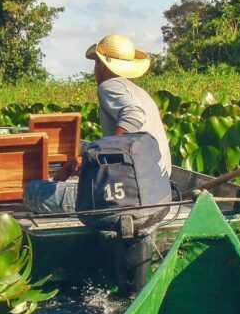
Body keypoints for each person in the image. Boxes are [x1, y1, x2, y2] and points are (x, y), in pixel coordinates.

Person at [24, 34, 171, 214]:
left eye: (96, 63)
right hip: (158, 190)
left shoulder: (109, 86)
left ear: (102, 65)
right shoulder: (140, 93)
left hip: (128, 194)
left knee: (34, 191)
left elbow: (134, 115)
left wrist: (98, 154)